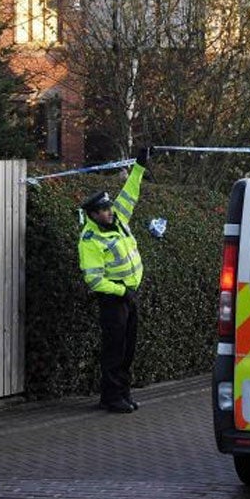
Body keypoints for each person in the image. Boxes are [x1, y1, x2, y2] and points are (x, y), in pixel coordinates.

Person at [78, 146, 152, 413]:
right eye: (103, 210)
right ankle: (110, 398)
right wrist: (122, 292)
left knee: (128, 349)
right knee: (115, 349)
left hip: (130, 294)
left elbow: (130, 191)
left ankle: (123, 393)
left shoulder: (118, 220)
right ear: (93, 215)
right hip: (113, 299)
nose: (109, 212)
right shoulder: (90, 240)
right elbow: (94, 280)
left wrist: (140, 166)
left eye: (108, 207)